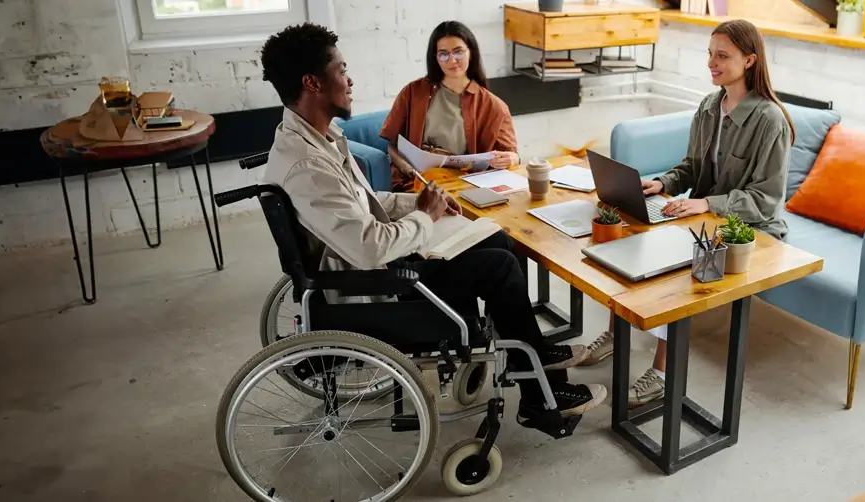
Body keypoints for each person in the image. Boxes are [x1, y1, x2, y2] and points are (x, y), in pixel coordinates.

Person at [258, 23, 605, 425]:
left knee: (495, 240)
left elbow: (365, 204)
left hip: (367, 265)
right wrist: (425, 216)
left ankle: (530, 357)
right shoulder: (308, 166)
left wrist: (423, 204)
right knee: (499, 265)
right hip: (372, 286)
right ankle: (538, 395)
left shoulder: (317, 137)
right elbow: (369, 246)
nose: (350, 80)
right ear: (312, 83)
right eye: (341, 69)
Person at [580, 19, 796, 408]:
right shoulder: (710, 105)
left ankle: (661, 375)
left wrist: (706, 203)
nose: (712, 63)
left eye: (722, 56)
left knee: (681, 271)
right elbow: (692, 168)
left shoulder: (769, 120)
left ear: (749, 61)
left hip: (750, 229)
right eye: (710, 54)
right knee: (632, 238)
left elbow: (766, 198)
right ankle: (616, 334)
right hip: (703, 216)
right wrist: (663, 184)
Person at [380, 21, 519, 192]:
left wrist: (514, 159)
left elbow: (511, 156)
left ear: (471, 54)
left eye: (458, 52)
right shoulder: (413, 92)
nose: (452, 60)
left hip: (462, 182)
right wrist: (406, 168)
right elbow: (392, 145)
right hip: (415, 179)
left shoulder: (494, 106)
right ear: (435, 58)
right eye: (443, 54)